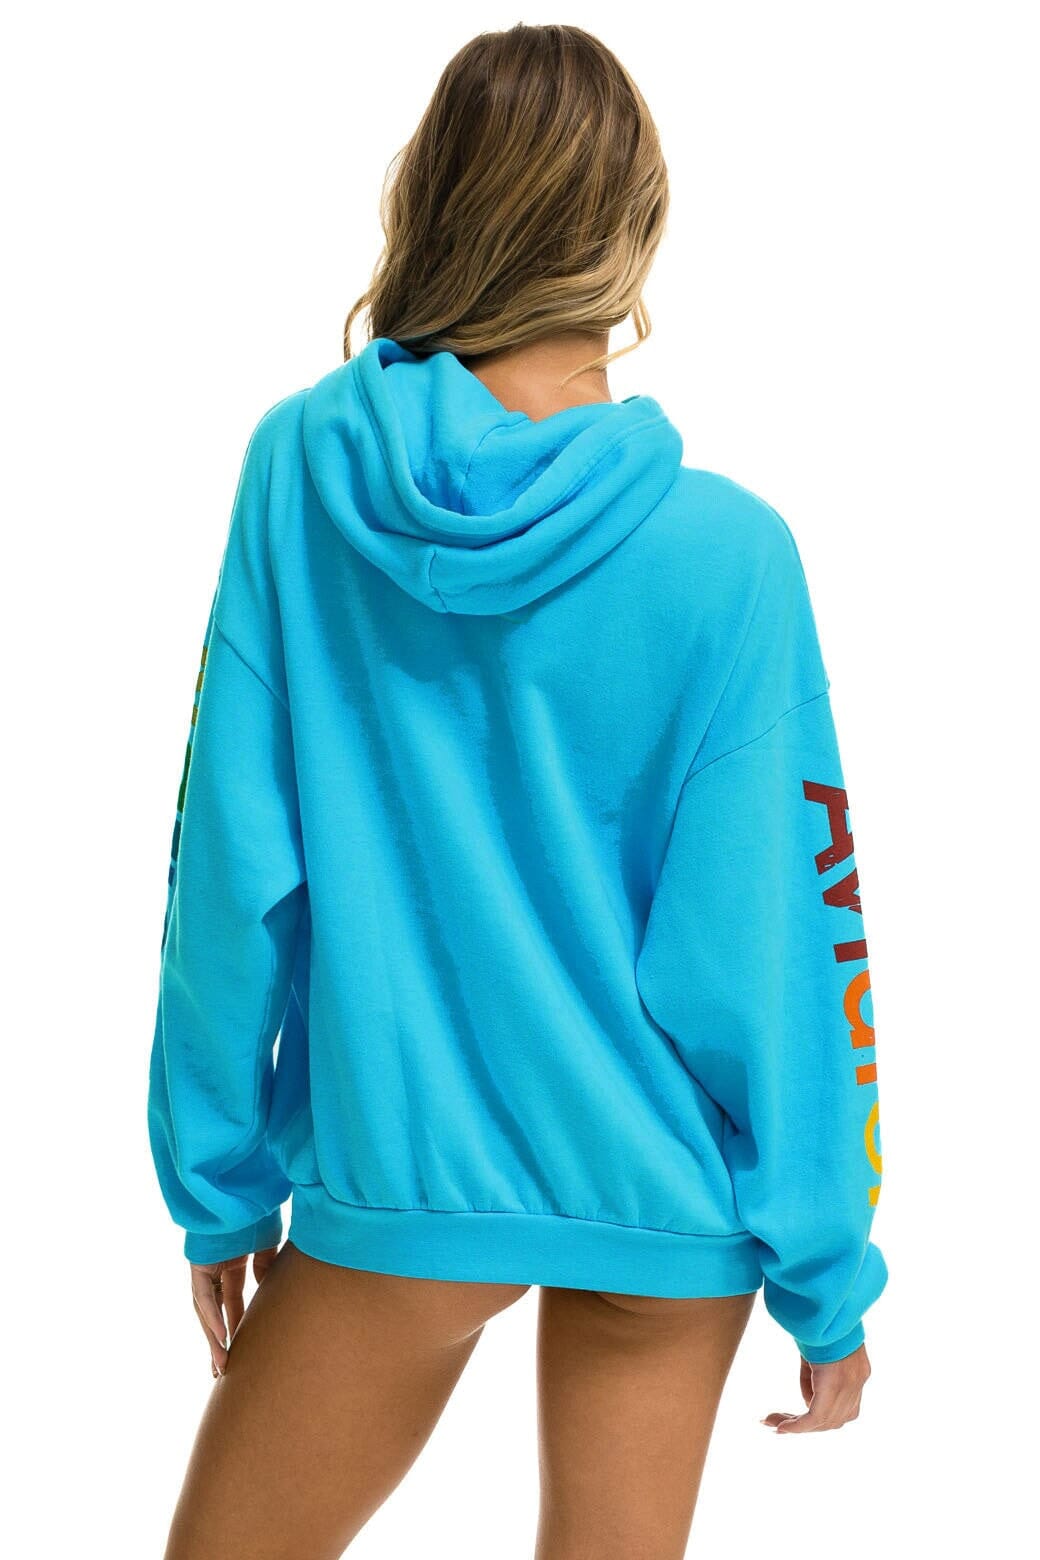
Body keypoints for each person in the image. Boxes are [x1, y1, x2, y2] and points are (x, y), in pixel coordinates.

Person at [147, 22, 887, 1560]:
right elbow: (786, 943)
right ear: (634, 228)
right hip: (667, 1200)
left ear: (432, 198)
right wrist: (827, 1272)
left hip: (405, 1174)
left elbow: (228, 870)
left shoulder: (302, 477)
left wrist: (219, 1185)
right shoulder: (731, 555)